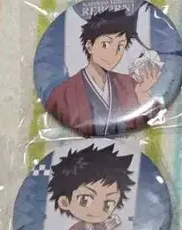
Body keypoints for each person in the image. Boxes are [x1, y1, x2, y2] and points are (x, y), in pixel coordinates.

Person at [45, 7, 162, 135]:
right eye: (105, 44)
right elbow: (56, 130)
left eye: (120, 46)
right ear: (89, 46)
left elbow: (153, 126)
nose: (113, 53)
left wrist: (142, 95)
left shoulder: (130, 84)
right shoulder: (63, 93)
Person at [49, 143, 135, 230]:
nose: (96, 209)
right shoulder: (76, 228)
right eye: (85, 199)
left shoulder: (101, 227)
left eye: (108, 204)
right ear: (65, 202)